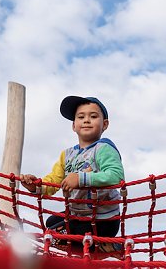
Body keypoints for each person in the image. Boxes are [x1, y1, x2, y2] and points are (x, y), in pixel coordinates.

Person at [19, 95, 124, 246]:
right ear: (74, 125)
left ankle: (106, 247)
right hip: (79, 214)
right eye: (81, 117)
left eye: (93, 116)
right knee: (51, 222)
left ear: (105, 124)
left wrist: (81, 179)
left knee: (55, 236)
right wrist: (36, 186)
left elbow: (116, 176)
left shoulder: (104, 148)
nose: (86, 120)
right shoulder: (67, 154)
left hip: (103, 220)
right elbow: (54, 180)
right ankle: (91, 247)